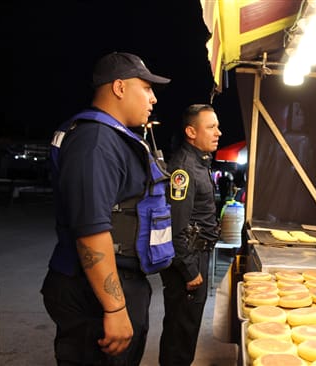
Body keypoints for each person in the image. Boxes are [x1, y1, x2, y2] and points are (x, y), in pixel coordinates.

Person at [40, 51, 172, 365]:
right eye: (147, 88)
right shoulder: (95, 142)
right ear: (119, 88)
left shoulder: (113, 138)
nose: (153, 98)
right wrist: (114, 308)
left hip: (117, 283)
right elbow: (90, 231)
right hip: (92, 294)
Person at [159, 104, 222, 365]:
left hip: (198, 255)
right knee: (180, 331)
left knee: (187, 328)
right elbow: (175, 226)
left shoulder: (200, 162)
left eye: (217, 126)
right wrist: (189, 270)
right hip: (189, 260)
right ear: (191, 132)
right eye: (211, 127)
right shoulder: (184, 169)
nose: (218, 132)